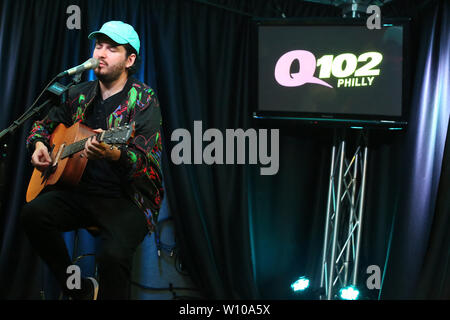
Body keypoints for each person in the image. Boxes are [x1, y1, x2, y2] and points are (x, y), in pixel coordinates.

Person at [21, 21, 164, 300]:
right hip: (80, 192)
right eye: (99, 46)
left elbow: (148, 161)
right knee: (33, 215)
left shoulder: (144, 99)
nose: (101, 53)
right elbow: (42, 126)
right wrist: (38, 145)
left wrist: (116, 154)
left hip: (127, 199)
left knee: (111, 256)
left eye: (112, 49)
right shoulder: (78, 94)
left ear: (129, 60)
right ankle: (79, 290)